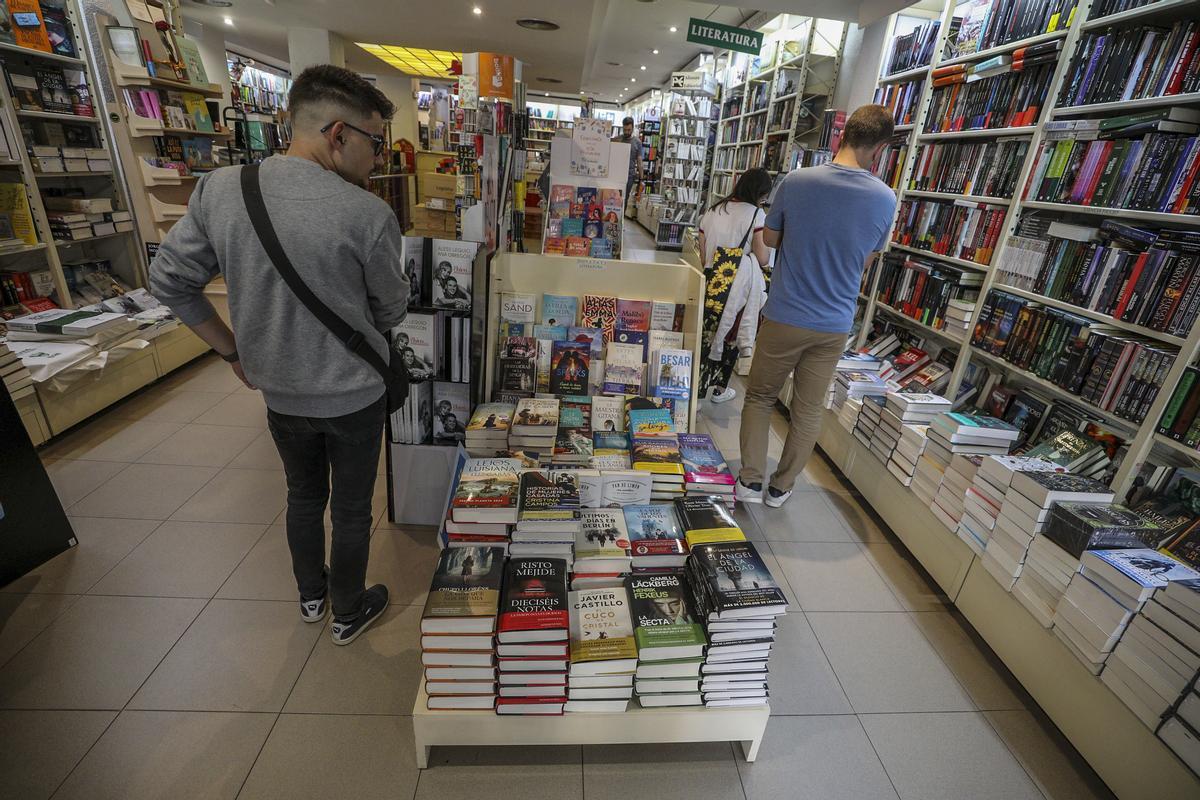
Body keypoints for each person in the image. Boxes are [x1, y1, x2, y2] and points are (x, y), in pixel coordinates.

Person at [149, 65, 408, 645]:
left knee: (302, 493)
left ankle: (311, 597)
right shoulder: (367, 214)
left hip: (279, 390)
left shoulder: (222, 190)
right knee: (350, 507)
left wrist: (230, 350)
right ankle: (348, 608)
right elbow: (390, 311)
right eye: (374, 141)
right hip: (353, 392)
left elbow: (168, 280)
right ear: (338, 134)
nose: (378, 158)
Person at [736, 104, 897, 509]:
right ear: (879, 148)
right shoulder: (885, 197)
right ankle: (781, 487)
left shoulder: (797, 181)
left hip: (786, 313)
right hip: (834, 323)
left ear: (841, 135)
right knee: (808, 410)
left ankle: (751, 481)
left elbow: (769, 241)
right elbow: (865, 261)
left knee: (760, 397)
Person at [697, 168, 773, 404]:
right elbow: (762, 258)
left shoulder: (712, 211)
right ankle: (719, 389)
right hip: (736, 288)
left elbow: (702, 255)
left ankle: (696, 393)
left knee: (704, 336)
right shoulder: (756, 216)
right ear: (760, 193)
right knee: (729, 335)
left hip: (709, 281)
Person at [612, 116, 643, 210]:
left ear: (633, 128)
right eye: (625, 130)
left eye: (629, 130)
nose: (626, 132)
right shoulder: (617, 139)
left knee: (624, 198)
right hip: (616, 173)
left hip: (629, 175)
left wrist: (641, 178)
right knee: (613, 196)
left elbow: (640, 161)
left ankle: (621, 221)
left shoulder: (637, 142)